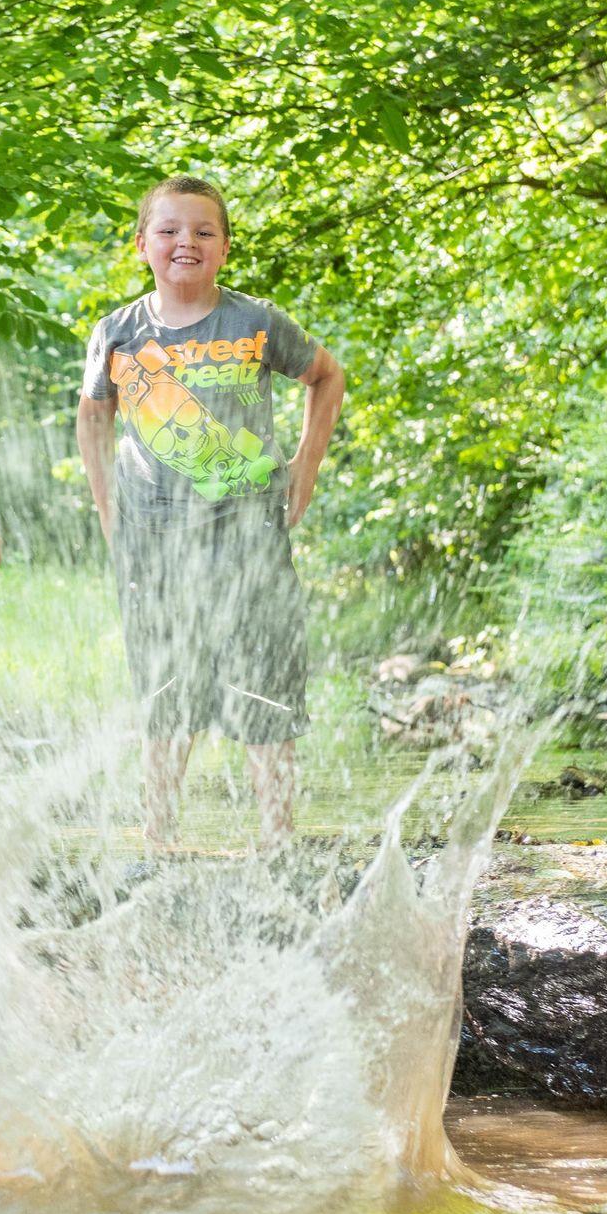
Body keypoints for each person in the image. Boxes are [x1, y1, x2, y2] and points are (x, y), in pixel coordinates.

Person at [77, 176, 346, 847]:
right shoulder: (118, 332)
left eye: (203, 232)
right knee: (166, 690)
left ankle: (278, 841)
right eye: (168, 230)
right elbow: (92, 416)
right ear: (142, 244)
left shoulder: (256, 321)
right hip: (155, 537)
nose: (185, 243)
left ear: (225, 247)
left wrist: (305, 468)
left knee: (265, 681)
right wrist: (108, 509)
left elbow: (327, 376)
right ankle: (159, 840)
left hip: (250, 532)